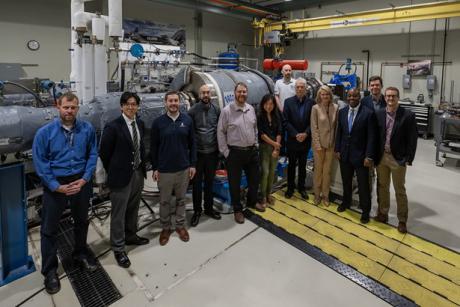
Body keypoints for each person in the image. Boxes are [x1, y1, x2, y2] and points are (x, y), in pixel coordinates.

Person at [32, 92, 98, 294]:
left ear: (78, 108)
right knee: (49, 228)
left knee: (81, 221)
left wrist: (85, 178)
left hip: (80, 182)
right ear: (57, 107)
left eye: (74, 107)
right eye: (66, 107)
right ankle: (50, 271)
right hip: (57, 185)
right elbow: (40, 163)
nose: (70, 111)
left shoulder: (87, 129)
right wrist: (55, 186)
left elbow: (93, 154)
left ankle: (80, 253)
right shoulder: (44, 133)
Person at [99, 92, 149, 269]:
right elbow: (104, 153)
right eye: (127, 104)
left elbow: (141, 146)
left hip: (137, 173)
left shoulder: (140, 124)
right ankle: (118, 248)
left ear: (137, 106)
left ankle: (131, 235)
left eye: (134, 104)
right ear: (121, 106)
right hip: (121, 175)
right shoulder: (113, 127)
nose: (131, 107)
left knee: (134, 207)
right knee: (119, 213)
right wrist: (115, 169)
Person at [151, 91, 196, 245]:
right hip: (164, 170)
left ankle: (180, 225)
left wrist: (192, 164)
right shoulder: (158, 123)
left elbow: (193, 144)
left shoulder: (187, 121)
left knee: (181, 200)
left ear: (180, 102)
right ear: (165, 103)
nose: (173, 103)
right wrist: (155, 168)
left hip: (183, 169)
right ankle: (165, 227)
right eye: (170, 101)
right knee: (164, 201)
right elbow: (153, 147)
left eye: (176, 100)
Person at [217, 82, 265, 224]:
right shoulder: (227, 111)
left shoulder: (250, 109)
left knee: (254, 179)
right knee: (234, 183)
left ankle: (252, 201)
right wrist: (226, 152)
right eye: (239, 92)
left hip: (251, 152)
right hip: (235, 153)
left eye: (244, 92)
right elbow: (220, 132)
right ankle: (237, 209)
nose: (242, 94)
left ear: (247, 93)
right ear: (235, 93)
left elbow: (255, 128)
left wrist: (255, 143)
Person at [374, 87, 418, 234]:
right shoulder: (379, 113)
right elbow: (377, 136)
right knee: (382, 187)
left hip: (397, 158)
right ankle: (383, 213)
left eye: (393, 96)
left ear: (398, 97)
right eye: (388, 96)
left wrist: (409, 158)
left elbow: (412, 138)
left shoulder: (407, 115)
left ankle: (402, 220)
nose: (390, 99)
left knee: (400, 190)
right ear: (384, 98)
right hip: (382, 157)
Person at [334, 88, 377, 224]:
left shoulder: (368, 113)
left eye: (355, 96)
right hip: (345, 155)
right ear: (347, 97)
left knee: (363, 185)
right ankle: (346, 202)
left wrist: (369, 156)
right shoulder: (342, 112)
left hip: (361, 156)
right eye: (350, 96)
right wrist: (337, 149)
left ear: (360, 97)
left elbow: (372, 137)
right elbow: (339, 132)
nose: (352, 98)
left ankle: (365, 211)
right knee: (346, 182)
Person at [188, 85, 221, 227]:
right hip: (198, 155)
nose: (206, 95)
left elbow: (220, 130)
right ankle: (197, 211)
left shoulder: (216, 110)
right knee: (196, 185)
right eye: (203, 92)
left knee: (209, 183)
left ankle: (208, 208)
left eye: (208, 92)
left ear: (211, 94)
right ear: (199, 94)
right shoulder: (193, 111)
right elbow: (189, 134)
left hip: (212, 153)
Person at [283, 78, 314, 200]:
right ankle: (290, 188)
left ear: (306, 89)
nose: (300, 89)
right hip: (292, 140)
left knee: (303, 166)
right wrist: (296, 134)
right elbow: (285, 121)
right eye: (298, 87)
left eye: (302, 87)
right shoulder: (288, 102)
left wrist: (306, 134)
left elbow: (313, 121)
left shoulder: (311, 103)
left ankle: (301, 188)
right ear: (295, 89)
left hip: (305, 141)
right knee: (291, 166)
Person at [311, 85, 339, 206]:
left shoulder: (336, 108)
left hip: (331, 145)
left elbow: (337, 127)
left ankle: (325, 196)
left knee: (327, 172)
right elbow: (314, 127)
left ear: (330, 95)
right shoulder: (315, 108)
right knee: (318, 171)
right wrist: (317, 144)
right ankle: (317, 194)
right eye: (322, 94)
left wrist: (335, 144)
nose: (325, 96)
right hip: (319, 146)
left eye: (327, 94)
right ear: (319, 96)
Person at [257, 94, 282, 207]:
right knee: (265, 172)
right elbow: (261, 135)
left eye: (271, 104)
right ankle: (262, 196)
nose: (269, 106)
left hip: (275, 148)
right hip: (264, 148)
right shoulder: (260, 116)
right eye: (266, 104)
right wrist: (275, 144)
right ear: (263, 104)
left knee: (272, 172)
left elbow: (279, 132)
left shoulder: (276, 115)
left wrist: (276, 148)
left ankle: (268, 194)